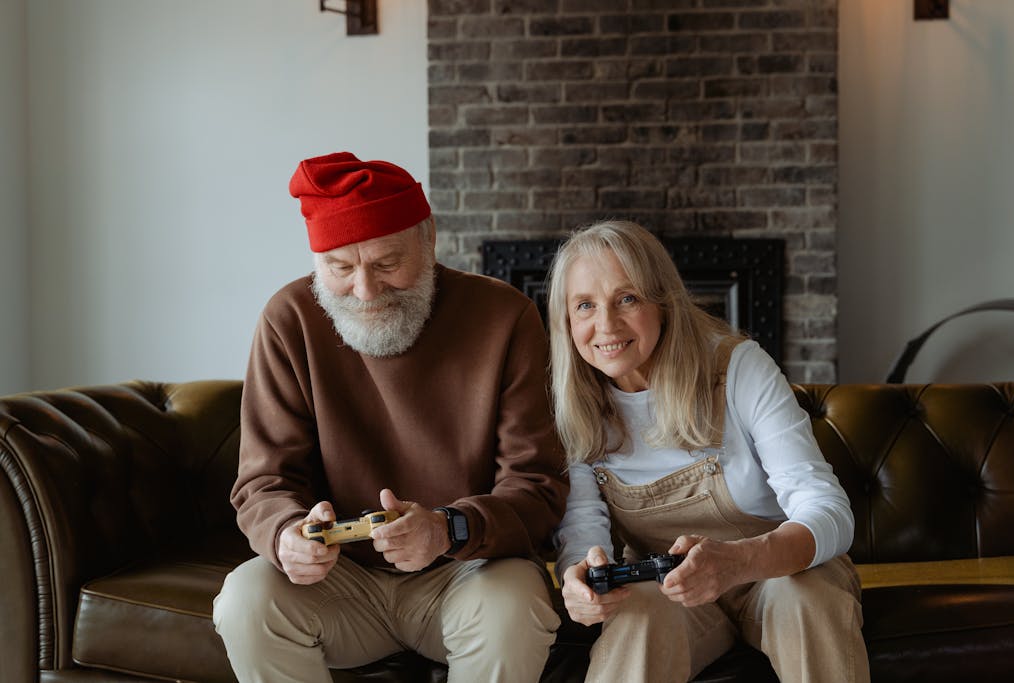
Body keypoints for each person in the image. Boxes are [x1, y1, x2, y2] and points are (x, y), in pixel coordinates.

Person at [213, 151, 568, 683]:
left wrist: (449, 528)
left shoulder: (504, 315)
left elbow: (538, 486)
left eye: (385, 264)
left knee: (515, 605)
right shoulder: (288, 319)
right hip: (340, 584)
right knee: (245, 598)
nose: (365, 290)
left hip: (466, 572)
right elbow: (264, 481)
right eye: (340, 268)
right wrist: (287, 534)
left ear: (429, 239)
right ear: (318, 263)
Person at [547, 220, 869, 682]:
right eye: (584, 306)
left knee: (805, 600)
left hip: (779, 575)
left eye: (628, 298)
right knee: (638, 616)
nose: (606, 325)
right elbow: (583, 530)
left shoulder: (738, 367)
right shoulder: (573, 403)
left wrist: (739, 561)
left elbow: (829, 510)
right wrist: (578, 579)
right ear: (566, 321)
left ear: (663, 303)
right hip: (670, 594)